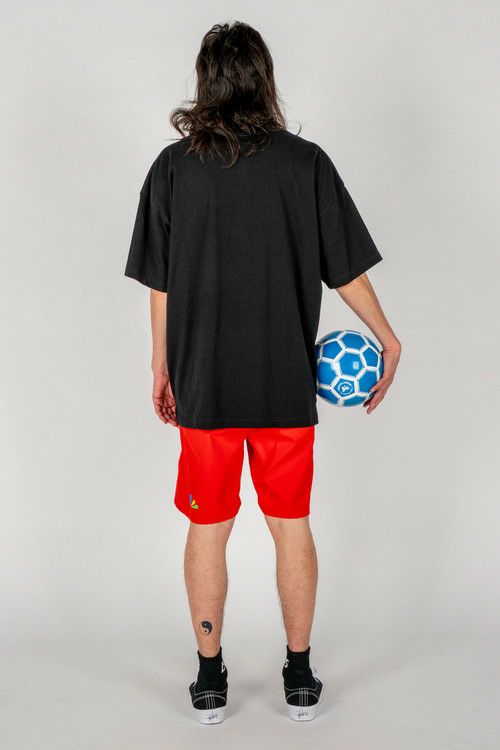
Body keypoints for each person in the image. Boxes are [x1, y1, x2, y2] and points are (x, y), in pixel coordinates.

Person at [125, 21, 401, 724]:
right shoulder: (306, 164)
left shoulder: (172, 168)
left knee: (208, 528)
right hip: (285, 383)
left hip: (205, 384)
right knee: (291, 524)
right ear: (264, 79)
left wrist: (161, 364)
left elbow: (161, 283)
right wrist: (386, 335)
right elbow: (345, 268)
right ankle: (299, 677)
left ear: (205, 82)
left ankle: (209, 679)